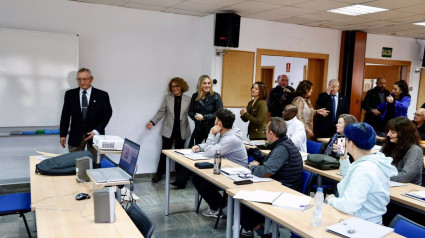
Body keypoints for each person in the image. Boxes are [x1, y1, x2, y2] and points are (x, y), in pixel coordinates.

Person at [241, 117, 303, 236]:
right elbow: (271, 163)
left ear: (271, 133)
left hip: (285, 192)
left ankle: (261, 232)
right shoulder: (284, 144)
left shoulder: (282, 148)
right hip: (282, 186)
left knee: (243, 202)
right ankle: (260, 227)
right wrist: (259, 159)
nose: (265, 133)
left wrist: (253, 167)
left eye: (266, 131)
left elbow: (264, 172)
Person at [326, 123, 398, 224]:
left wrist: (331, 200)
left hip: (363, 225)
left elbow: (348, 205)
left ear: (351, 144)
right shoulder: (370, 160)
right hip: (360, 220)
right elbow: (350, 178)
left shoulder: (365, 168)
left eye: (346, 139)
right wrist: (343, 157)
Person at [191, 109, 248, 218]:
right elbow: (214, 146)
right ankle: (219, 205)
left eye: (216, 119)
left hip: (236, 174)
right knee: (196, 178)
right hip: (225, 169)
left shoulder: (230, 138)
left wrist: (211, 134)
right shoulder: (223, 133)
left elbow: (210, 152)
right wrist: (200, 146)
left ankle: (219, 207)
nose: (214, 121)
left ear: (220, 124)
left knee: (205, 185)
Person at [172, 75, 223, 188]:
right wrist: (196, 117)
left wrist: (204, 117)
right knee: (190, 152)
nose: (207, 85)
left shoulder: (216, 96)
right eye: (204, 83)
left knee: (212, 153)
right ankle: (181, 181)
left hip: (212, 130)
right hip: (199, 128)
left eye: (209, 83)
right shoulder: (195, 96)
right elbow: (190, 112)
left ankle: (212, 181)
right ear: (200, 85)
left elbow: (219, 113)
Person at [60, 68, 113, 158]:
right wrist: (63, 135)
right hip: (75, 135)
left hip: (95, 136)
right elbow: (65, 115)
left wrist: (96, 130)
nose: (82, 82)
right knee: (74, 164)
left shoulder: (102, 95)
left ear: (91, 79)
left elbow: (107, 114)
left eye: (85, 79)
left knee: (96, 163)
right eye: (79, 79)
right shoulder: (70, 94)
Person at [146, 77, 191, 183]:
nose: (175, 88)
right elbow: (161, 112)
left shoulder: (188, 99)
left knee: (180, 153)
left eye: (177, 86)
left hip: (182, 130)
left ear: (181, 87)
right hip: (168, 130)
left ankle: (179, 176)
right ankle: (159, 174)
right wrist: (152, 122)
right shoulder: (168, 98)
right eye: (173, 86)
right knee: (164, 153)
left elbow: (192, 112)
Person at [381, 117, 423, 185]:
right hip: (387, 184)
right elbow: (377, 166)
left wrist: (380, 176)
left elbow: (405, 176)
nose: (388, 134)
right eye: (388, 131)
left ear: (404, 134)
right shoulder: (387, 145)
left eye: (393, 132)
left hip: (408, 189)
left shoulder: (415, 150)